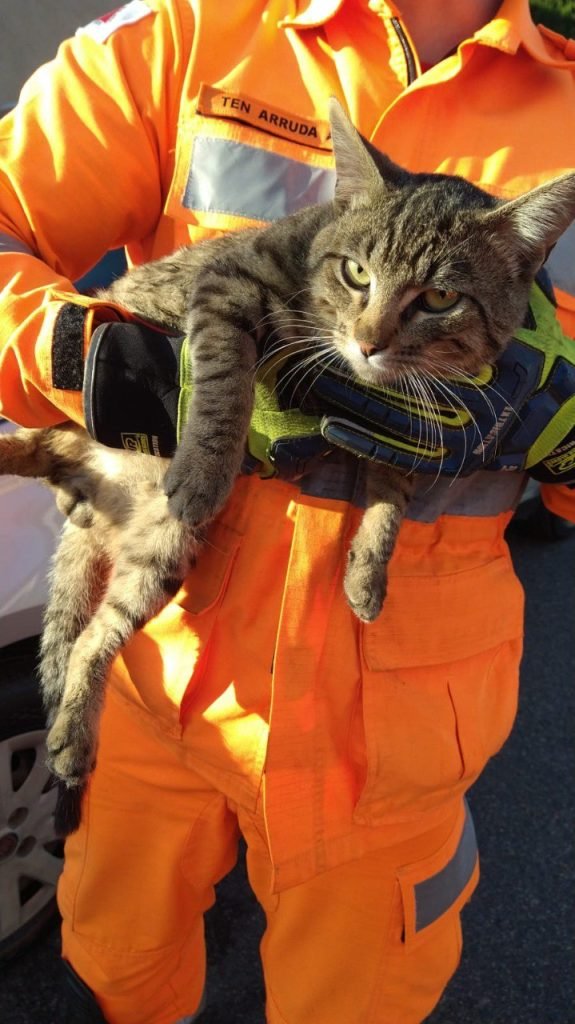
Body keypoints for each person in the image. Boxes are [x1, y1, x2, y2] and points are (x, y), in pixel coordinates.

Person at [0, 1, 574, 1022]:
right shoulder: (187, 31)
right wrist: (96, 364)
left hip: (399, 745)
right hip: (155, 675)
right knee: (120, 966)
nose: (374, 331)